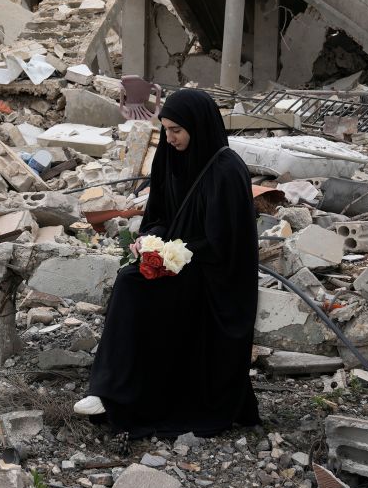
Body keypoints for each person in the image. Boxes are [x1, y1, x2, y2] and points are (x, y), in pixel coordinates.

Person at [74, 88, 261, 438]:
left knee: (134, 287)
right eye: (166, 129)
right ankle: (111, 389)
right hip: (174, 260)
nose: (170, 138)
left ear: (197, 126)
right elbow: (158, 212)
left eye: (177, 130)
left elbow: (227, 244)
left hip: (213, 275)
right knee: (131, 278)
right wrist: (150, 241)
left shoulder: (226, 169)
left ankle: (114, 390)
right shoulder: (169, 157)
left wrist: (178, 252)